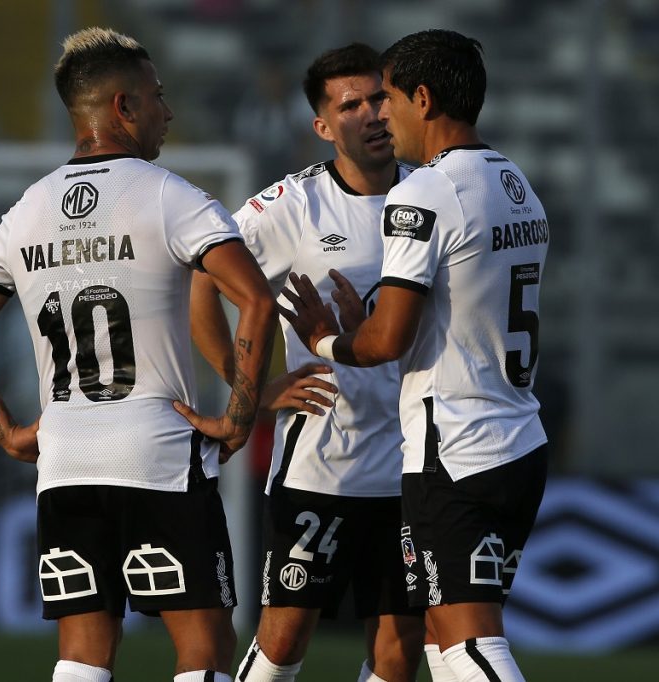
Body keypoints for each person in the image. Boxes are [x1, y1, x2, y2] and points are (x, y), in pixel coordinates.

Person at [0, 27, 276, 682]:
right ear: (123, 107)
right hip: (157, 455)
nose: (167, 112)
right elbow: (253, 300)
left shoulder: (27, 211)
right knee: (204, 648)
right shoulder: (171, 196)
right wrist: (239, 415)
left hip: (66, 461)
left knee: (84, 653)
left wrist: (5, 429)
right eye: (156, 97)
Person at [280, 30, 550, 682]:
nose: (381, 115)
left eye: (391, 98)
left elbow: (385, 342)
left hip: (454, 449)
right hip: (518, 438)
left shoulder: (421, 193)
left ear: (423, 99)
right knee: (435, 636)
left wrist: (324, 338)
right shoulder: (516, 184)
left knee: (468, 640)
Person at [192, 43, 424, 682]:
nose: (373, 114)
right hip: (324, 464)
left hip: (417, 465)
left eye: (381, 97)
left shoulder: (435, 196)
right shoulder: (287, 208)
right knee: (284, 641)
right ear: (323, 126)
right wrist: (254, 392)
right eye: (352, 104)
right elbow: (204, 286)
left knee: (399, 651)